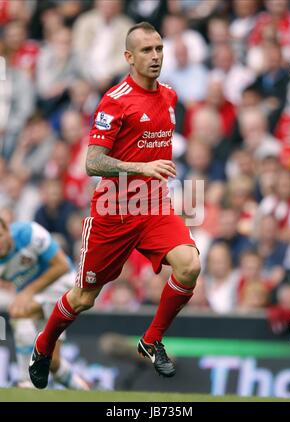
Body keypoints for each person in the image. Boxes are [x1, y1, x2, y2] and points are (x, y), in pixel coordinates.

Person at [29, 21, 200, 389]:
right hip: (113, 212)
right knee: (84, 297)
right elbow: (92, 162)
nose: (155, 57)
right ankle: (44, 345)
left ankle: (151, 340)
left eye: (158, 49)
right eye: (146, 51)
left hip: (153, 206)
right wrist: (141, 166)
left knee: (189, 265)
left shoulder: (169, 96)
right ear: (128, 57)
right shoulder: (115, 100)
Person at [0, 217, 89, 389]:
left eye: (0, 235)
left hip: (61, 285)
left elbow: (62, 265)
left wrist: (27, 292)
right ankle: (86, 392)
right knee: (53, 362)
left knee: (19, 311)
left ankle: (26, 381)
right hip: (34, 297)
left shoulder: (29, 234)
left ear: (8, 231)